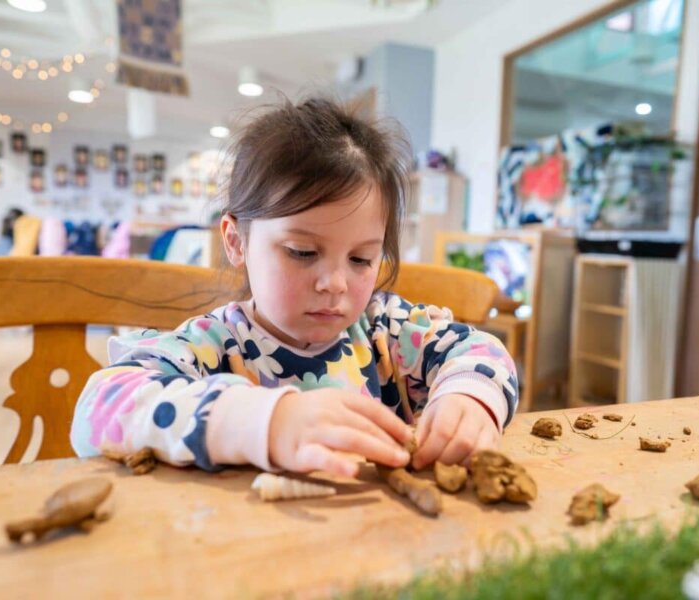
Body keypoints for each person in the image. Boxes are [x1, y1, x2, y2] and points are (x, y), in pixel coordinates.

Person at [71, 97, 518, 477]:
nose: (335, 283)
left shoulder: (386, 331)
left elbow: (480, 350)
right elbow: (95, 412)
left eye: (361, 259)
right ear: (236, 241)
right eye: (303, 252)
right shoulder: (216, 346)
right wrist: (264, 422)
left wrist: (469, 398)